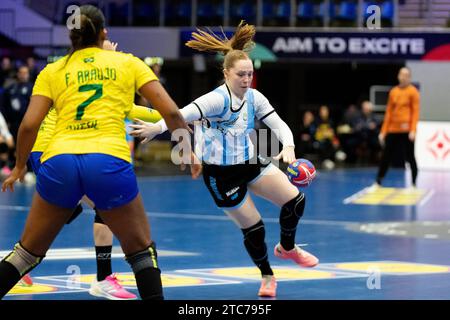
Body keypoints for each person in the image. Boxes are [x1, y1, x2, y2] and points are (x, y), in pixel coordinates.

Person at [0, 5, 194, 300]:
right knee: (141, 251)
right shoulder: (127, 63)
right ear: (104, 33)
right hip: (106, 159)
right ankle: (109, 279)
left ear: (71, 36)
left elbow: (28, 126)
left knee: (26, 254)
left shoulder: (53, 70)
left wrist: (17, 168)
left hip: (59, 161)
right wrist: (186, 149)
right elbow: (170, 112)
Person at [130, 21, 319, 298]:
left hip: (249, 162)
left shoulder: (254, 97)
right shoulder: (216, 100)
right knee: (254, 228)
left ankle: (287, 248)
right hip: (220, 174)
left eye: (249, 74)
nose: (246, 79)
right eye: (241, 74)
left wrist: (288, 146)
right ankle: (267, 275)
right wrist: (156, 128)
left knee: (295, 200)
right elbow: (180, 114)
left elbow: (279, 124)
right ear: (226, 73)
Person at [374, 67, 420, 188]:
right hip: (393, 129)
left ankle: (414, 182)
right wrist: (383, 131)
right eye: (401, 74)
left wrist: (413, 130)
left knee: (410, 156)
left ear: (409, 77)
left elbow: (415, 112)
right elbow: (388, 113)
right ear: (398, 76)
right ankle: (378, 180)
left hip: (407, 131)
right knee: (386, 156)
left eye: (406, 75)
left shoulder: (413, 92)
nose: (403, 77)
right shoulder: (393, 92)